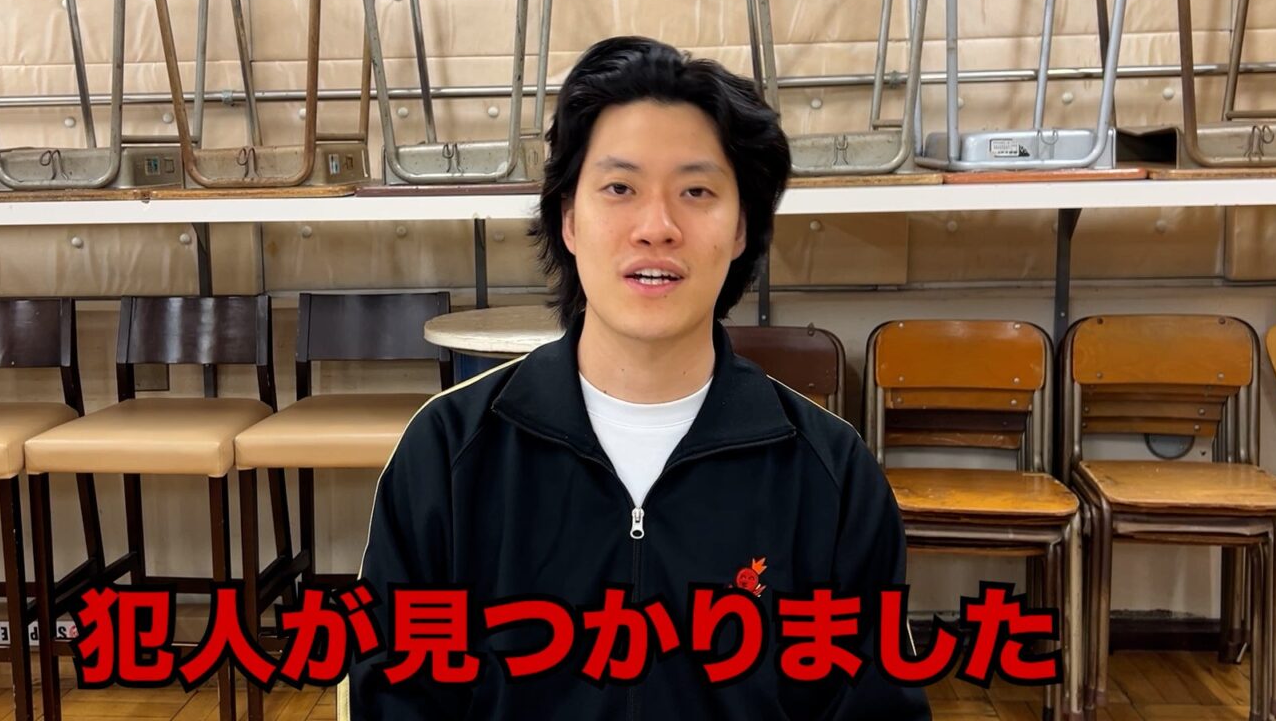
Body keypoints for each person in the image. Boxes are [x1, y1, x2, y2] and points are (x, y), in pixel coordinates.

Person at [346, 36, 930, 719]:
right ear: (568, 218)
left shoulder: (830, 474)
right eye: (620, 188)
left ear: (742, 229)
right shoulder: (449, 452)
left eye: (696, 191)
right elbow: (393, 697)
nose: (657, 227)